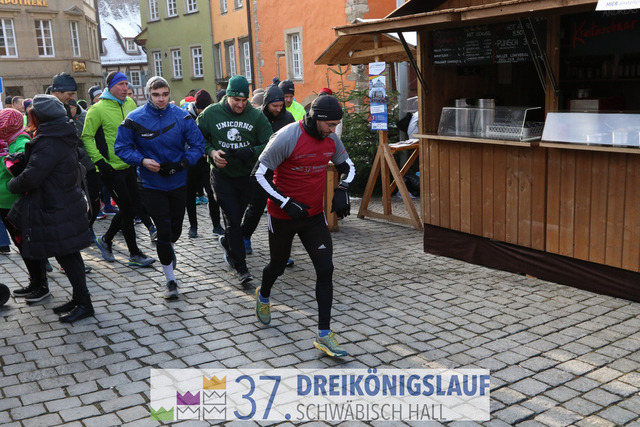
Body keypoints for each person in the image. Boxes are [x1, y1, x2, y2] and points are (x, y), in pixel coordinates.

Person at [253, 94, 355, 358]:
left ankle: (324, 335)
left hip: (313, 216)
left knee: (326, 268)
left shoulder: (331, 138)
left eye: (336, 125)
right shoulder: (287, 137)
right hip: (282, 216)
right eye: (330, 125)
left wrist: (343, 188)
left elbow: (348, 165)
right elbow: (259, 175)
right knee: (278, 266)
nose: (333, 131)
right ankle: (264, 294)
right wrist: (285, 202)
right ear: (316, 118)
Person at [115, 76, 204, 299]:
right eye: (156, 95)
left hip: (178, 181)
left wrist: (183, 163)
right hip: (151, 183)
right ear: (148, 95)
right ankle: (170, 280)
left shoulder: (182, 116)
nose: (161, 99)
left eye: (165, 94)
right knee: (163, 231)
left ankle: (168, 246)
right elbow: (121, 148)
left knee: (175, 231)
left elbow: (198, 145)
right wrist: (142, 161)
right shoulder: (134, 118)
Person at [7, 95, 94, 322]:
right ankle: (79, 298)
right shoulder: (59, 135)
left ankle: (85, 304)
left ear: (39, 117)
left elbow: (32, 178)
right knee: (69, 255)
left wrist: (12, 183)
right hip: (63, 202)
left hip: (57, 205)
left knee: (68, 256)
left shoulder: (50, 141)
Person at [196, 75, 273, 285]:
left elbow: (270, 142)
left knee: (237, 220)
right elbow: (196, 138)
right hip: (222, 176)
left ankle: (228, 243)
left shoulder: (256, 116)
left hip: (246, 176)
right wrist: (211, 152)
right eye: (235, 100)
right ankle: (241, 268)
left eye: (244, 100)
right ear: (227, 96)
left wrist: (252, 151)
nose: (240, 104)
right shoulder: (211, 113)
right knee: (232, 220)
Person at [82, 71, 155, 267]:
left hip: (130, 164)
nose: (125, 88)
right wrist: (100, 162)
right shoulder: (97, 109)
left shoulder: (130, 104)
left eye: (126, 84)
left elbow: (138, 130)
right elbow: (86, 137)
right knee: (127, 209)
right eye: (121, 84)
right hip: (111, 169)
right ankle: (134, 253)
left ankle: (106, 239)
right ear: (110, 87)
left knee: (132, 207)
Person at [241, 84, 295, 260]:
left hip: (281, 170)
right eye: (274, 106)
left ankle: (281, 251)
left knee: (281, 210)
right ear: (266, 105)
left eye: (281, 106)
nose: (278, 109)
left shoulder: (288, 118)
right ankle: (245, 236)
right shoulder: (257, 117)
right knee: (256, 207)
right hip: (261, 169)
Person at [185, 89, 224, 238]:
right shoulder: (186, 117)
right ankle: (193, 226)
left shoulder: (212, 115)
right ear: (197, 107)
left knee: (212, 193)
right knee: (190, 195)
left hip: (207, 161)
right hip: (192, 162)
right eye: (202, 109)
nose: (204, 112)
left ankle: (216, 225)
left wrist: (210, 149)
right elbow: (183, 139)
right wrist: (194, 151)